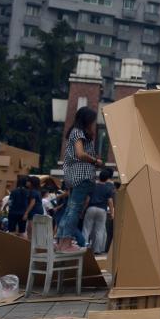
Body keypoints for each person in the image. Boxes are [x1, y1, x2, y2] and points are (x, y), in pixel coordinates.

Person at [56, 107, 103, 252]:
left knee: (70, 208)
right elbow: (80, 154)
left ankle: (61, 241)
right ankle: (66, 242)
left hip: (73, 175)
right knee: (75, 209)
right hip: (82, 175)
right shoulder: (79, 133)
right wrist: (95, 161)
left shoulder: (73, 132)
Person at [83, 168, 115, 254]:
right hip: (102, 210)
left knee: (86, 229)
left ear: (99, 176)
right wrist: (112, 213)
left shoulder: (93, 186)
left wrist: (83, 210)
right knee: (99, 230)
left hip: (91, 208)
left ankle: (84, 247)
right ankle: (97, 250)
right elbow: (110, 201)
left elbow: (87, 200)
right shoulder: (108, 188)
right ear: (107, 178)